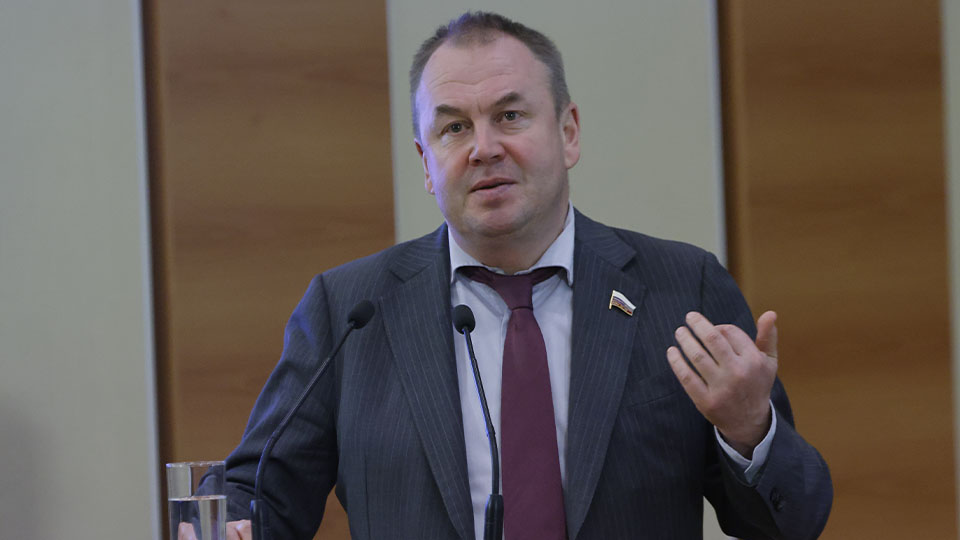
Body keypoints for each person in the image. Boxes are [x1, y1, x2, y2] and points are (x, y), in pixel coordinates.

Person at [219, 12, 832, 540]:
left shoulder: (681, 288)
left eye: (510, 116)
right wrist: (224, 525)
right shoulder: (350, 309)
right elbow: (258, 493)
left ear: (568, 133)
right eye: (454, 127)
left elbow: (792, 523)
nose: (484, 148)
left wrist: (750, 430)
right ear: (426, 163)